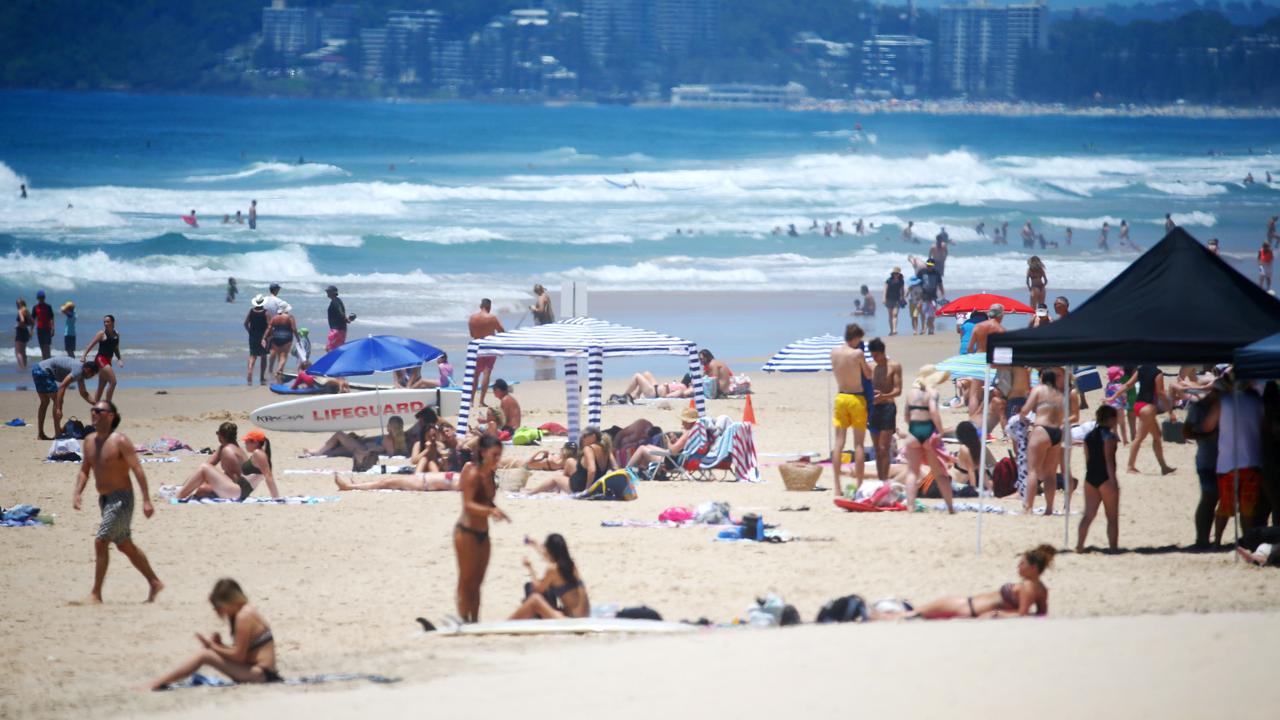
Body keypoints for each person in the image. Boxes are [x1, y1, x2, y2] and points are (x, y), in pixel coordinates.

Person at [71, 400, 162, 603]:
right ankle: (154, 582)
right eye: (92, 410)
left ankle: (96, 593)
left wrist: (147, 500)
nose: (94, 413)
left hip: (122, 498)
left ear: (111, 415)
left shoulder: (120, 441)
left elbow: (137, 470)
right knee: (124, 544)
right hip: (104, 499)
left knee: (101, 541)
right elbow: (85, 471)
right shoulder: (89, 441)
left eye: (99, 411)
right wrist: (78, 492)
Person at [149, 579, 277, 690]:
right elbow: (246, 653)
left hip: (261, 674)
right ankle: (160, 682)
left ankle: (156, 683)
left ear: (230, 601)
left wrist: (212, 646)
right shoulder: (247, 611)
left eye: (220, 607)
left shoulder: (243, 617)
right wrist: (220, 646)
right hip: (260, 671)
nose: (221, 611)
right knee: (207, 653)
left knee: (205, 655)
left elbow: (239, 656)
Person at [884, 545, 1054, 619]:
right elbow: (1041, 615)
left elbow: (1022, 615)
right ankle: (879, 615)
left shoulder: (1027, 587)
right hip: (969, 607)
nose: (1018, 566)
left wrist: (997, 614)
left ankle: (871, 616)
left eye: (1022, 563)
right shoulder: (1041, 589)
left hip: (968, 608)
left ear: (1033, 568)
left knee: (914, 614)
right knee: (917, 613)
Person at [454, 435, 509, 623]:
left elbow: (487, 500)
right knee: (466, 581)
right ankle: (463, 619)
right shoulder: (473, 472)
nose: (497, 459)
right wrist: (491, 510)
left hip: (483, 533)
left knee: (477, 582)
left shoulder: (489, 474)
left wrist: (494, 509)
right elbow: (468, 504)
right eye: (494, 455)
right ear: (483, 452)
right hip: (466, 532)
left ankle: (474, 621)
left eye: (499, 455)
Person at [1203, 376, 1265, 537]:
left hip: (1227, 462)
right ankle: (1247, 540)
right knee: (1248, 508)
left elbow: (1207, 426)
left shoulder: (1224, 402)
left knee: (1225, 507)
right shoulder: (1258, 401)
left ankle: (1217, 542)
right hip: (1252, 460)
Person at [1019, 369, 1075, 515]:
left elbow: (1025, 409)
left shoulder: (1039, 389)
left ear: (1042, 378)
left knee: (1033, 471)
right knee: (1050, 473)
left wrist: (1021, 416)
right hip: (1057, 433)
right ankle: (1049, 508)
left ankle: (1028, 507)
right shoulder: (1061, 395)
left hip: (1041, 430)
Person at [177, 426, 281, 501]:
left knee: (205, 467)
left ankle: (178, 497)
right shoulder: (259, 454)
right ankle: (180, 493)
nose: (245, 444)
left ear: (255, 442)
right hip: (237, 490)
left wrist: (276, 498)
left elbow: (268, 476)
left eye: (247, 441)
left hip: (237, 492)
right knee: (205, 473)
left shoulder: (258, 453)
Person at [901, 370, 954, 512]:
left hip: (914, 431)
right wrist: (941, 430)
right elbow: (933, 412)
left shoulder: (910, 393)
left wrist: (913, 426)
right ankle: (950, 507)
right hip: (928, 431)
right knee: (940, 474)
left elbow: (906, 416)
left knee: (912, 471)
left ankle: (910, 507)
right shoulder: (933, 393)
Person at [831, 324, 872, 496]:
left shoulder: (834, 352)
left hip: (841, 397)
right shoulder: (857, 354)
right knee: (859, 445)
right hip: (856, 398)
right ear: (855, 337)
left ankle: (837, 487)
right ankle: (860, 484)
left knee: (839, 443)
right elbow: (868, 375)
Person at [511, 534, 590, 620]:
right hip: (584, 615)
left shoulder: (552, 570)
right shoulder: (571, 565)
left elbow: (538, 589)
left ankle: (506, 624)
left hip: (572, 620)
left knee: (534, 597)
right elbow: (549, 559)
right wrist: (535, 545)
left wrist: (530, 568)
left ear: (550, 551)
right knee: (549, 587)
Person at [1116, 364, 1176, 476]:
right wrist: (1170, 411)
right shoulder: (1158, 372)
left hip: (1138, 405)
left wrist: (1113, 397)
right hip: (1148, 407)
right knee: (1139, 438)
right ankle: (1130, 466)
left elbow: (1128, 385)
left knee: (1157, 435)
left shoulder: (1140, 369)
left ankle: (1164, 467)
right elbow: (1160, 392)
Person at [1077, 406, 1121, 551]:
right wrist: (1114, 482)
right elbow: (1109, 461)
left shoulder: (1089, 436)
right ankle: (1113, 548)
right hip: (1105, 477)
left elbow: (1088, 459)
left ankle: (1080, 546)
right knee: (1112, 517)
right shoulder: (1110, 437)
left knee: (1088, 515)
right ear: (1111, 419)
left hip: (1090, 477)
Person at [1184, 385, 1221, 546]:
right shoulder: (1199, 407)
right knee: (1209, 498)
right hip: (1208, 459)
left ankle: (1209, 539)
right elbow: (1186, 432)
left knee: (1216, 500)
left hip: (1223, 459)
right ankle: (1202, 539)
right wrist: (1208, 435)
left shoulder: (1227, 404)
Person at [32, 356, 99, 440]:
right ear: (88, 369)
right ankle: (58, 434)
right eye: (92, 374)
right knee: (57, 400)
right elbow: (62, 386)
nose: (91, 377)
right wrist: (58, 408)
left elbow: (84, 393)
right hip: (44, 371)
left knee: (44, 402)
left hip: (37, 368)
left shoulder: (81, 373)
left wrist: (96, 404)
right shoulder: (78, 371)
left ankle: (41, 434)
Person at [303, 415, 408, 466]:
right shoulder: (394, 437)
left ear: (390, 426)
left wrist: (376, 448)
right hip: (362, 446)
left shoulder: (389, 440)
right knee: (336, 449)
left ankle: (318, 452)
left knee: (339, 434)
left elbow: (390, 454)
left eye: (388, 425)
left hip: (362, 449)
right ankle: (317, 451)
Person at [966, 304, 1005, 429]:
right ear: (1000, 315)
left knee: (974, 395)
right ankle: (982, 423)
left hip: (978, 358)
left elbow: (969, 348)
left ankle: (973, 424)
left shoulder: (978, 326)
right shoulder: (1001, 330)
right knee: (989, 394)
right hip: (992, 361)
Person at [868, 338, 901, 483]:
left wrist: (884, 396)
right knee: (876, 449)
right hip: (873, 409)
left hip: (888, 407)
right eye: (873, 355)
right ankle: (880, 479)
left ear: (883, 353)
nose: (875, 358)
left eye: (876, 355)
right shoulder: (871, 367)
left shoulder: (894, 366)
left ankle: (885, 479)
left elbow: (898, 390)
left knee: (883, 447)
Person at [626, 407, 701, 471]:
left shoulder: (688, 433)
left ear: (689, 422)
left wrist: (668, 441)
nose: (682, 423)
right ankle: (641, 471)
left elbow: (673, 451)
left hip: (673, 462)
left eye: (684, 421)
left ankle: (627, 470)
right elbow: (684, 448)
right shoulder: (698, 432)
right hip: (683, 459)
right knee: (648, 446)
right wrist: (676, 441)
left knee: (642, 448)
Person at [469, 299, 504, 407]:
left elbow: (472, 334)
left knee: (475, 375)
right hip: (489, 346)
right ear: (489, 307)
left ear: (481, 306)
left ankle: (471, 401)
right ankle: (481, 401)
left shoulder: (472, 318)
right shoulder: (492, 318)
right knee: (486, 373)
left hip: (477, 346)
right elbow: (501, 331)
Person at [264, 303, 297, 383]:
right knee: (283, 357)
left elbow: (269, 328)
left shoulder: (275, 318)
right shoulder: (290, 317)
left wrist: (264, 338)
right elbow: (293, 329)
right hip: (287, 338)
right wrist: (298, 338)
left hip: (276, 337)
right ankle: (278, 372)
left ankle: (272, 371)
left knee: (275, 354)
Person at [244, 296, 269, 385]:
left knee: (252, 355)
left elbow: (245, 323)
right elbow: (269, 326)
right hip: (262, 337)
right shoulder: (266, 313)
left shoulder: (251, 311)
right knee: (263, 356)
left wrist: (250, 332)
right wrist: (266, 337)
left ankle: (250, 371)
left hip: (253, 336)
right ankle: (262, 377)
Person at [915, 259, 944, 335]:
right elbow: (917, 283)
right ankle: (924, 328)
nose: (929, 267)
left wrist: (943, 294)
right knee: (923, 312)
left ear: (933, 266)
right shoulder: (922, 272)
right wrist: (917, 296)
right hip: (923, 296)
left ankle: (930, 328)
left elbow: (940, 284)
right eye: (928, 265)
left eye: (931, 266)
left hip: (933, 296)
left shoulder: (936, 273)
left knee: (932, 314)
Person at [325, 285, 354, 352]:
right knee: (338, 349)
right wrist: (346, 319)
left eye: (328, 291)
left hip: (336, 330)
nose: (327, 292)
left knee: (329, 349)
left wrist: (346, 318)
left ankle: (331, 362)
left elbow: (339, 310)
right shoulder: (338, 300)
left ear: (333, 292)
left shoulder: (335, 301)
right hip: (342, 329)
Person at [32, 289, 54, 360]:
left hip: (47, 328)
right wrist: (31, 330)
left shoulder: (48, 307)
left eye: (43, 297)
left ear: (44, 298)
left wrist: (53, 328)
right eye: (40, 297)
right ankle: (44, 361)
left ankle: (49, 361)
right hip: (39, 329)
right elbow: (33, 319)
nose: (41, 299)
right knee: (42, 347)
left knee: (47, 347)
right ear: (37, 298)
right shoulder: (35, 307)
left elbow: (51, 318)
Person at [884, 267, 905, 336]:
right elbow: (885, 290)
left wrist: (903, 298)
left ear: (899, 274)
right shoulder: (888, 281)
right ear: (892, 274)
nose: (896, 275)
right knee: (890, 316)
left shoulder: (901, 281)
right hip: (889, 299)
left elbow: (902, 290)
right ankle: (891, 330)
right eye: (894, 273)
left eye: (897, 273)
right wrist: (884, 298)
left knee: (895, 314)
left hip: (897, 300)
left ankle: (894, 330)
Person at [14, 298, 32, 369]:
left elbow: (22, 320)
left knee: (18, 352)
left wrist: (17, 325)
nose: (17, 305)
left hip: (20, 331)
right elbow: (32, 322)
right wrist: (30, 332)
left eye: (18, 304)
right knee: (23, 351)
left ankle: (22, 368)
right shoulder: (27, 311)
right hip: (26, 332)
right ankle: (25, 366)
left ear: (21, 304)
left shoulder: (20, 311)